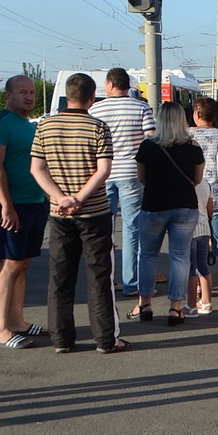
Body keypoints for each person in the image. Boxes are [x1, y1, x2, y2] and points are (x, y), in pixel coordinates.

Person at [30, 73, 129, 354]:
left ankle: (61, 340)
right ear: (91, 97)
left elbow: (36, 169)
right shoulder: (98, 127)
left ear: (66, 94)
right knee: (99, 276)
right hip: (94, 212)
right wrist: (79, 198)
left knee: (60, 277)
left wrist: (62, 198)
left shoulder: (45, 126)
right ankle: (105, 340)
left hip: (59, 214)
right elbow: (104, 170)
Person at [0, 75, 49, 349]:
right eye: (23, 92)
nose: (29, 97)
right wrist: (7, 206)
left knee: (22, 263)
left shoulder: (28, 125)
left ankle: (17, 321)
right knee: (10, 265)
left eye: (32, 92)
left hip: (35, 203)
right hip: (11, 206)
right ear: (8, 95)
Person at [130, 102, 204, 326]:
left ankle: (145, 304)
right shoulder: (193, 147)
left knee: (147, 255)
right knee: (180, 257)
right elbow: (197, 180)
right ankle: (175, 308)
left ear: (159, 120)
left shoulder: (148, 147)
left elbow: (142, 179)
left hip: (153, 206)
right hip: (184, 207)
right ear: (182, 120)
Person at [89, 68, 155, 297]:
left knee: (102, 229)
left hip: (102, 175)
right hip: (131, 174)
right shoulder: (141, 108)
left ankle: (105, 282)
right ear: (128, 86)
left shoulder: (95, 109)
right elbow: (150, 140)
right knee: (132, 229)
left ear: (109, 85)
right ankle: (131, 282)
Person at [190, 97, 218, 297]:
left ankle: (200, 285)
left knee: (196, 242)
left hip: (194, 198)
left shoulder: (187, 135)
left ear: (197, 114)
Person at [185, 179, 214, 317]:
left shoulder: (185, 182)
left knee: (190, 268)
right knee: (203, 266)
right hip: (204, 228)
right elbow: (210, 209)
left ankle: (191, 305)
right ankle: (206, 302)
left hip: (189, 228)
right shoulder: (206, 184)